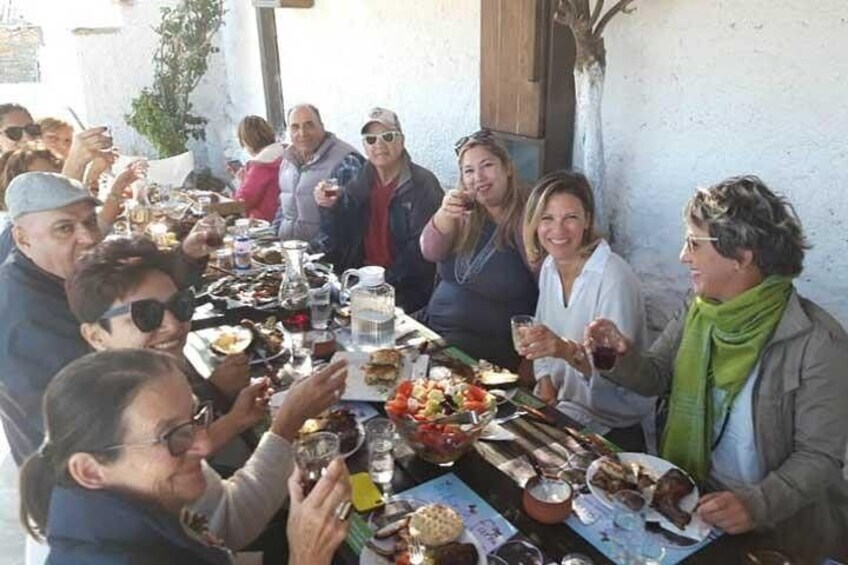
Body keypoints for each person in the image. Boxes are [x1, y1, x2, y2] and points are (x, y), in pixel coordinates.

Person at [585, 176, 848, 561]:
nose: (683, 256)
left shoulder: (817, 342)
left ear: (741, 257)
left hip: (774, 529)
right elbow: (656, 375)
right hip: (691, 497)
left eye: (694, 242)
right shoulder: (700, 308)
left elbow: (820, 457)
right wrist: (619, 356)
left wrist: (755, 504)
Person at [19, 349, 352, 564]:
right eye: (171, 436)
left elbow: (224, 528)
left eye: (195, 417)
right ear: (90, 471)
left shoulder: (134, 507)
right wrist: (307, 556)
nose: (205, 445)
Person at [0, 172, 212, 465]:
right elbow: (94, 426)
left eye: (89, 221)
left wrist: (186, 259)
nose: (89, 238)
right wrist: (215, 398)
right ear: (22, 238)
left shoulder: (55, 272)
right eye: (64, 228)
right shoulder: (23, 317)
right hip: (82, 479)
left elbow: (140, 289)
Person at [517, 171, 653, 450]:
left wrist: (564, 350)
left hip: (613, 422)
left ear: (587, 220)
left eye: (570, 217)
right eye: (547, 218)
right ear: (533, 224)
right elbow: (543, 333)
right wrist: (544, 379)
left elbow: (618, 375)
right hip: (565, 406)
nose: (558, 230)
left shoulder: (613, 277)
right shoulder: (549, 266)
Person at [419, 130, 538, 370]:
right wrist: (444, 216)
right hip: (432, 328)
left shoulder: (527, 216)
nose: (478, 177)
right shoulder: (465, 211)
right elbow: (430, 252)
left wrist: (532, 361)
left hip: (483, 347)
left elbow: (551, 287)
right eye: (469, 171)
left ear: (507, 168)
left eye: (487, 165)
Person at [315, 107, 442, 313]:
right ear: (364, 146)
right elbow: (339, 237)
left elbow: (419, 255)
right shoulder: (361, 182)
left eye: (388, 136)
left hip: (405, 291)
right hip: (359, 280)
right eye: (371, 139)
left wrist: (379, 284)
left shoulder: (423, 184)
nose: (379, 144)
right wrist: (330, 209)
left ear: (401, 140)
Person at [274, 104, 364, 243]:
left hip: (323, 259)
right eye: (295, 127)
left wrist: (310, 255)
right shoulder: (288, 160)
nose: (302, 133)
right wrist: (272, 237)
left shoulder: (345, 161)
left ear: (322, 126)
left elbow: (348, 220)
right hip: (285, 252)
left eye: (309, 125)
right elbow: (285, 206)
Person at [232, 115, 284, 222]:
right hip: (281, 218)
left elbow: (241, 203)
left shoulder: (260, 165)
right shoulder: (285, 155)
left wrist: (241, 182)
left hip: (262, 224)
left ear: (247, 141)